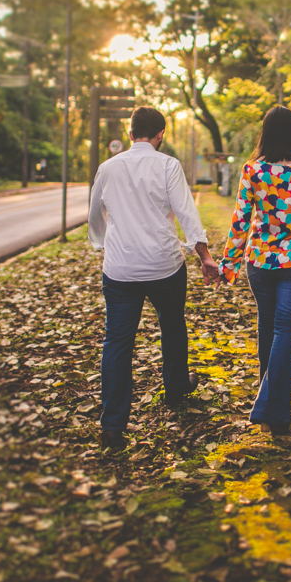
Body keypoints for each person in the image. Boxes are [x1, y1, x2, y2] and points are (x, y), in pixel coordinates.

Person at [88, 106, 221, 451]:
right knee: (173, 326)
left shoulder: (107, 168)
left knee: (117, 341)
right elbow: (186, 213)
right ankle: (176, 389)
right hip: (164, 265)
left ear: (130, 133)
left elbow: (95, 216)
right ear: (161, 134)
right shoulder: (168, 165)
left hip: (120, 270)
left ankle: (113, 424)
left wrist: (104, 245)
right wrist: (204, 256)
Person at [217, 105, 291, 435]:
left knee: (269, 325)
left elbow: (240, 221)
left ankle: (268, 400)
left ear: (265, 133)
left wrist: (229, 263)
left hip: (260, 262)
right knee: (285, 329)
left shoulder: (253, 170)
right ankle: (273, 409)